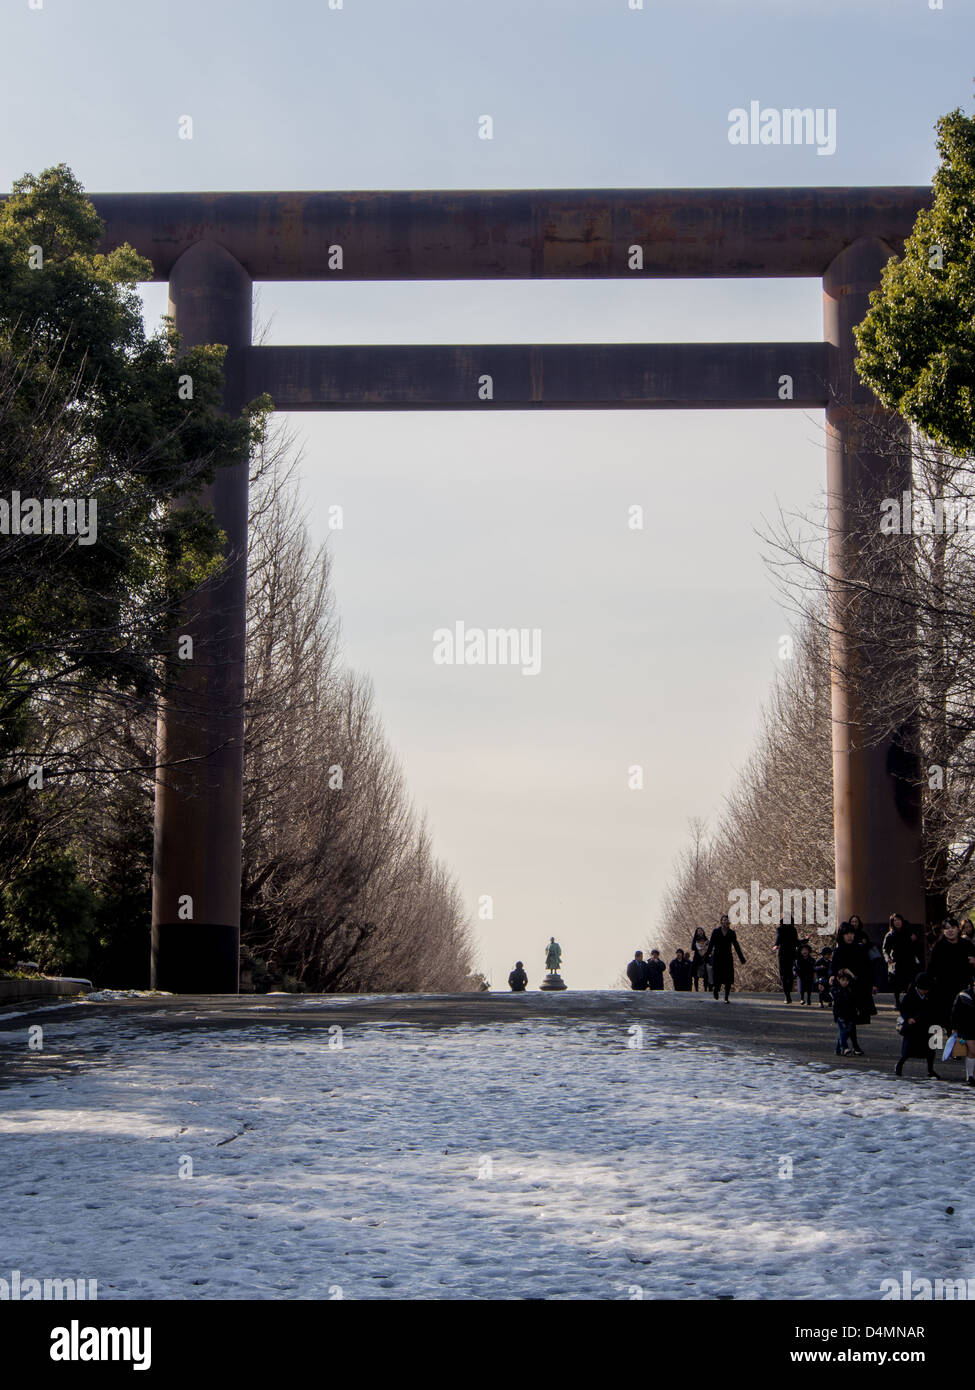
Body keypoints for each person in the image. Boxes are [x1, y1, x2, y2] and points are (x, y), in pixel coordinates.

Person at [829, 921, 876, 1055]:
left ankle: (842, 1046)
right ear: (842, 936)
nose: (850, 936)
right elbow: (833, 967)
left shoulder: (859, 949)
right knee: (847, 1018)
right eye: (847, 934)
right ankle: (851, 1045)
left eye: (851, 934)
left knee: (852, 1019)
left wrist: (872, 983)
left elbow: (867, 968)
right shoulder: (838, 951)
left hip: (858, 987)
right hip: (843, 988)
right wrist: (836, 974)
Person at [928, 919, 974, 1028]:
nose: (950, 931)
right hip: (944, 989)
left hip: (964, 988)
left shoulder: (966, 944)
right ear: (943, 931)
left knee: (965, 1021)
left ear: (958, 929)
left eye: (953, 928)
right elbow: (931, 969)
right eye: (947, 928)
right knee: (948, 1021)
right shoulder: (939, 947)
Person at [895, 972, 940, 1079]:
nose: (925, 992)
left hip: (927, 1026)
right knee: (908, 1050)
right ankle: (899, 1065)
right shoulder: (910, 996)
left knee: (930, 1050)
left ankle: (930, 1070)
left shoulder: (930, 995)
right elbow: (903, 1009)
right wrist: (908, 1018)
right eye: (924, 990)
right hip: (913, 1027)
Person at [883, 914, 923, 1007]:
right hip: (897, 961)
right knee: (897, 983)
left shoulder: (909, 932)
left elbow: (917, 944)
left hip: (909, 960)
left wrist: (915, 939)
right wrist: (887, 958)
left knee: (910, 981)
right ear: (892, 923)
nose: (897, 922)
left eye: (899, 920)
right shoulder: (890, 935)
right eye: (895, 920)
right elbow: (885, 949)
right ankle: (897, 1001)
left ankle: (909, 1001)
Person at [706, 914, 746, 1002]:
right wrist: (706, 956)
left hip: (727, 957)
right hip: (717, 957)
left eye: (727, 920)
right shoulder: (715, 932)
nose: (725, 921)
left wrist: (741, 958)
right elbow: (711, 944)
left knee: (728, 978)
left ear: (729, 922)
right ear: (721, 922)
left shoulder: (731, 933)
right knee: (717, 976)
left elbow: (736, 945)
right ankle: (716, 990)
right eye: (723, 920)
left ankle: (726, 997)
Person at [949, 975, 975, 1088]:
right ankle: (970, 1076)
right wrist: (954, 1028)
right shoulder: (964, 995)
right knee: (973, 1050)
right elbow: (955, 1012)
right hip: (967, 1027)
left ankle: (971, 1076)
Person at [832, 969, 859, 1056]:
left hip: (850, 1013)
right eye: (843, 980)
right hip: (840, 1014)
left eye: (847, 980)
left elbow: (856, 982)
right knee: (843, 1030)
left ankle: (838, 1049)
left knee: (847, 1031)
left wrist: (851, 973)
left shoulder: (850, 989)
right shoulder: (836, 989)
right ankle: (844, 1048)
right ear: (838, 979)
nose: (845, 982)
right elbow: (828, 998)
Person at [774, 917, 800, 1004]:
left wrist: (776, 945)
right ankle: (787, 995)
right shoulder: (791, 929)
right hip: (789, 954)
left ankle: (787, 995)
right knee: (787, 975)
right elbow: (797, 942)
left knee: (785, 975)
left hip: (784, 954)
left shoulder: (781, 929)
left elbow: (778, 939)